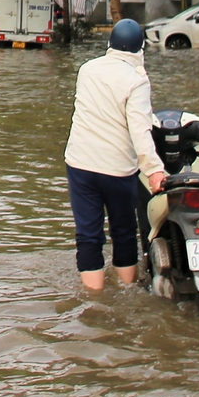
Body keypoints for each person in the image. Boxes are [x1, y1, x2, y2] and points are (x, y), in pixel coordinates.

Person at [63, 18, 167, 292]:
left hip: (80, 163)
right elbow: (141, 129)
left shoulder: (87, 69)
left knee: (88, 234)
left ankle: (94, 299)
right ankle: (126, 290)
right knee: (123, 231)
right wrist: (155, 171)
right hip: (117, 169)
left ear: (109, 45)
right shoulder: (136, 81)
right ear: (140, 49)